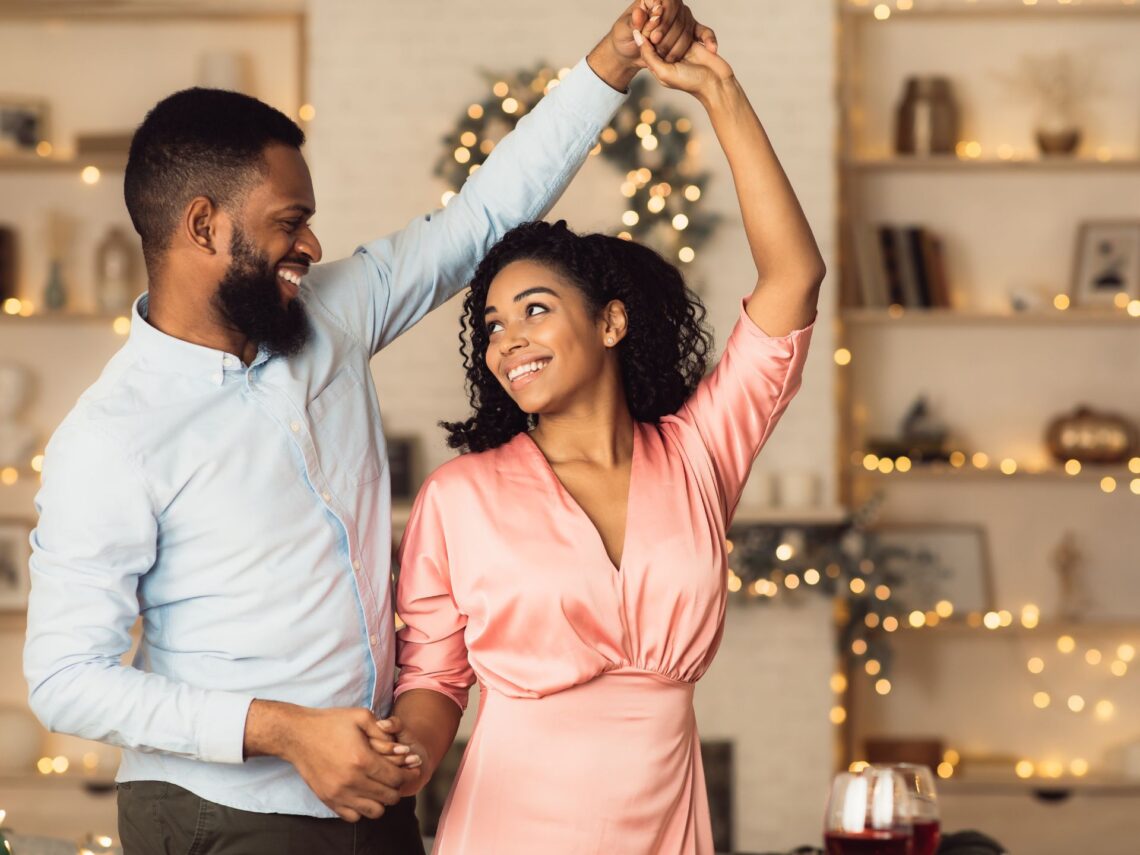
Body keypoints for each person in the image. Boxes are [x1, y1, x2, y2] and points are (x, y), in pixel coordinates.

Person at [22, 4, 712, 853]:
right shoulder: (111, 437)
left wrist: (613, 60)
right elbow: (63, 681)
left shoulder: (333, 317)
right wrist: (282, 729)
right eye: (287, 221)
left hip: (376, 799)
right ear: (204, 225)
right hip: (223, 814)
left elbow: (480, 222)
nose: (310, 244)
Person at [386, 26, 825, 855]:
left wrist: (718, 94)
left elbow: (794, 278)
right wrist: (404, 757)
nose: (507, 338)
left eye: (536, 309)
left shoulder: (699, 454)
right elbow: (434, 681)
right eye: (493, 324)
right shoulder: (461, 495)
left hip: (667, 832)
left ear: (612, 320)